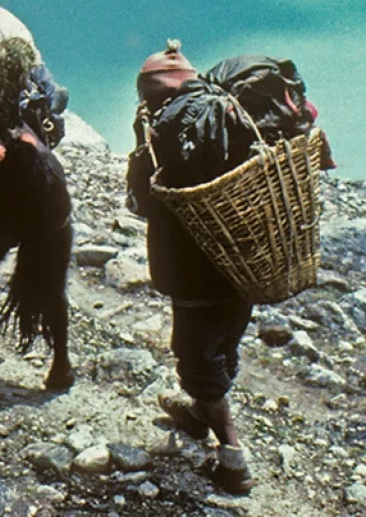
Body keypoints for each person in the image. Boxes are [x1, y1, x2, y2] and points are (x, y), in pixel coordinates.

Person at [125, 39, 256, 495]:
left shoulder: (159, 128)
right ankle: (201, 413)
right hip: (247, 262)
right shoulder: (236, 111)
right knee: (226, 341)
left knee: (196, 355)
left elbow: (142, 200)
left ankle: (233, 458)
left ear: (152, 92)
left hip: (194, 269)